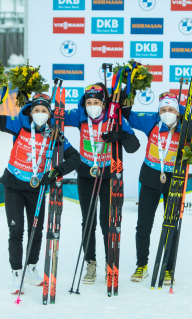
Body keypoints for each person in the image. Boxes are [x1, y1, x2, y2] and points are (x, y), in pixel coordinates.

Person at [0, 90, 80, 294]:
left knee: (36, 231)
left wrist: (56, 172)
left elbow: (75, 158)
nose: (39, 113)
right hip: (14, 186)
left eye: (44, 110)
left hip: (36, 188)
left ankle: (31, 268)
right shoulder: (19, 125)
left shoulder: (54, 134)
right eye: (36, 110)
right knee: (16, 231)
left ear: (49, 114)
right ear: (30, 112)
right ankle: (17, 272)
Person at [64, 83, 140, 284]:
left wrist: (121, 136)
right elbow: (55, 116)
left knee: (108, 223)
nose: (92, 106)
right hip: (86, 173)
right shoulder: (79, 115)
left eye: (96, 102)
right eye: (88, 102)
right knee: (87, 220)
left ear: (104, 104)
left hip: (110, 175)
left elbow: (134, 147)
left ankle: (110, 264)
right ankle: (90, 263)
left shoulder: (115, 117)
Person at [121, 92, 184, 285]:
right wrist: (126, 97)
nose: (167, 113)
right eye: (163, 110)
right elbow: (127, 116)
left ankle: (168, 268)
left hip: (174, 179)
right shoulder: (152, 121)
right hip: (150, 178)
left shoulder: (186, 127)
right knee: (143, 225)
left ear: (178, 112)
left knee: (171, 225)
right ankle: (142, 265)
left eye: (171, 110)